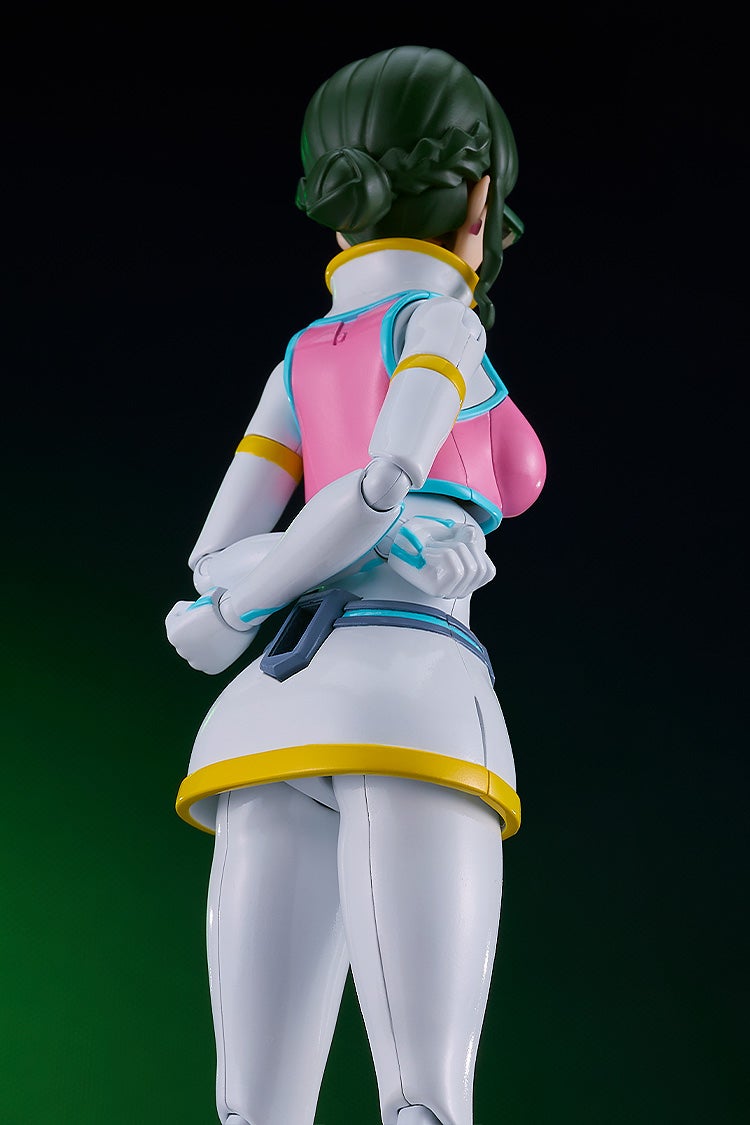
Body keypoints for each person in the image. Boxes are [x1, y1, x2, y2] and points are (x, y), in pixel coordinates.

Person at [166, 44, 546, 1125]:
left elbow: (216, 557)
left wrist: (235, 605)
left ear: (338, 213)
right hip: (414, 698)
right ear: (480, 203)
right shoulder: (442, 326)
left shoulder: (303, 357)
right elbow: (384, 484)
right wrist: (358, 545)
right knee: (425, 1101)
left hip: (269, 714)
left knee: (253, 1109)